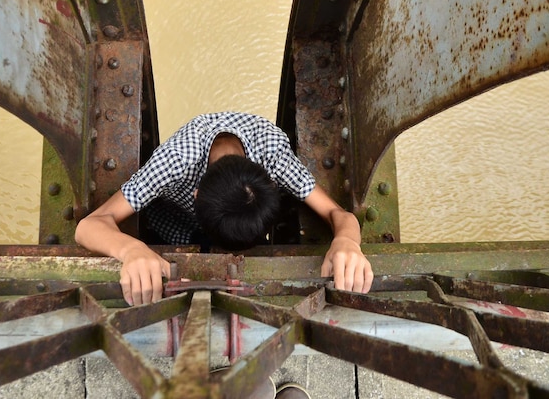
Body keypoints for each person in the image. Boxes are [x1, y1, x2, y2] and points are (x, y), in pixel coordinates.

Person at [74, 111, 373, 306]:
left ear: (269, 182)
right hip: (176, 225)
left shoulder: (274, 155)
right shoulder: (176, 160)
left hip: (240, 227)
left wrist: (345, 241)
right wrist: (132, 250)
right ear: (195, 194)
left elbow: (338, 214)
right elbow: (90, 225)